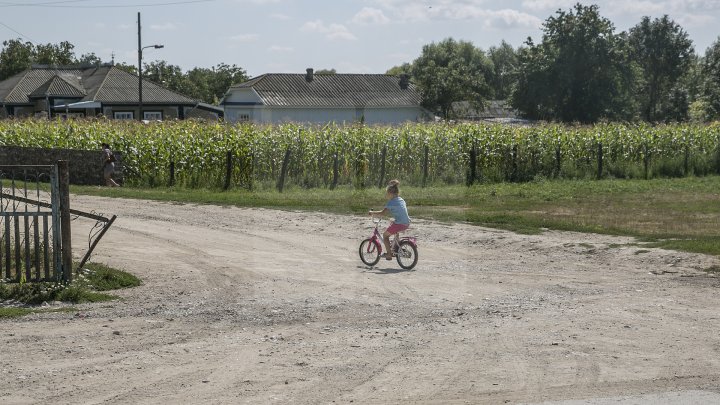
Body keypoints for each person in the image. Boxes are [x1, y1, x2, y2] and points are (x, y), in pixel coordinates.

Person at [369, 179, 411, 260]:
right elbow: (402, 212)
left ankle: (389, 254)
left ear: (391, 193)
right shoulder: (401, 199)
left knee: (385, 236)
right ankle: (396, 247)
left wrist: (372, 212)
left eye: (387, 194)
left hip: (400, 224)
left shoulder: (391, 202)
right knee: (393, 225)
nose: (387, 195)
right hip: (406, 222)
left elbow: (382, 213)